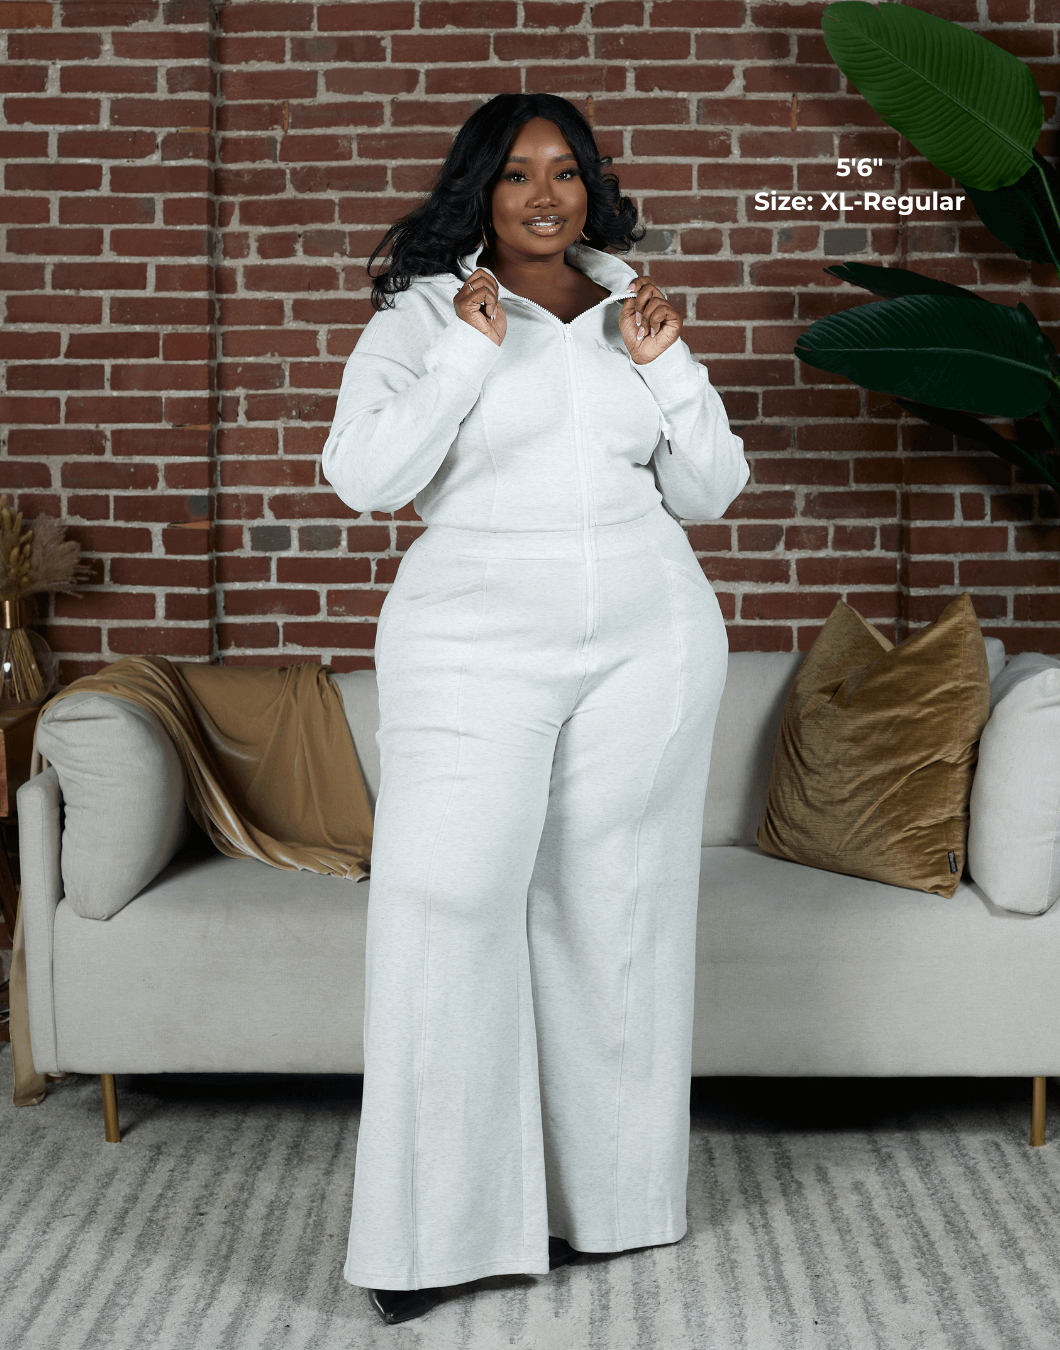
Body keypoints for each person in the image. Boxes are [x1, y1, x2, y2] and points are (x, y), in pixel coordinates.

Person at [321, 91, 749, 1326]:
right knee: (445, 900)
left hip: (649, 636)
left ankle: (604, 1207)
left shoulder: (630, 311)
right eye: (517, 174)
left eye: (566, 171)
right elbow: (365, 477)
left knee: (616, 910)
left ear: (592, 187)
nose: (546, 195)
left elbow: (711, 492)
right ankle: (428, 1240)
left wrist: (668, 366)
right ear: (481, 190)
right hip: (471, 635)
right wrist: (466, 350)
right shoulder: (419, 317)